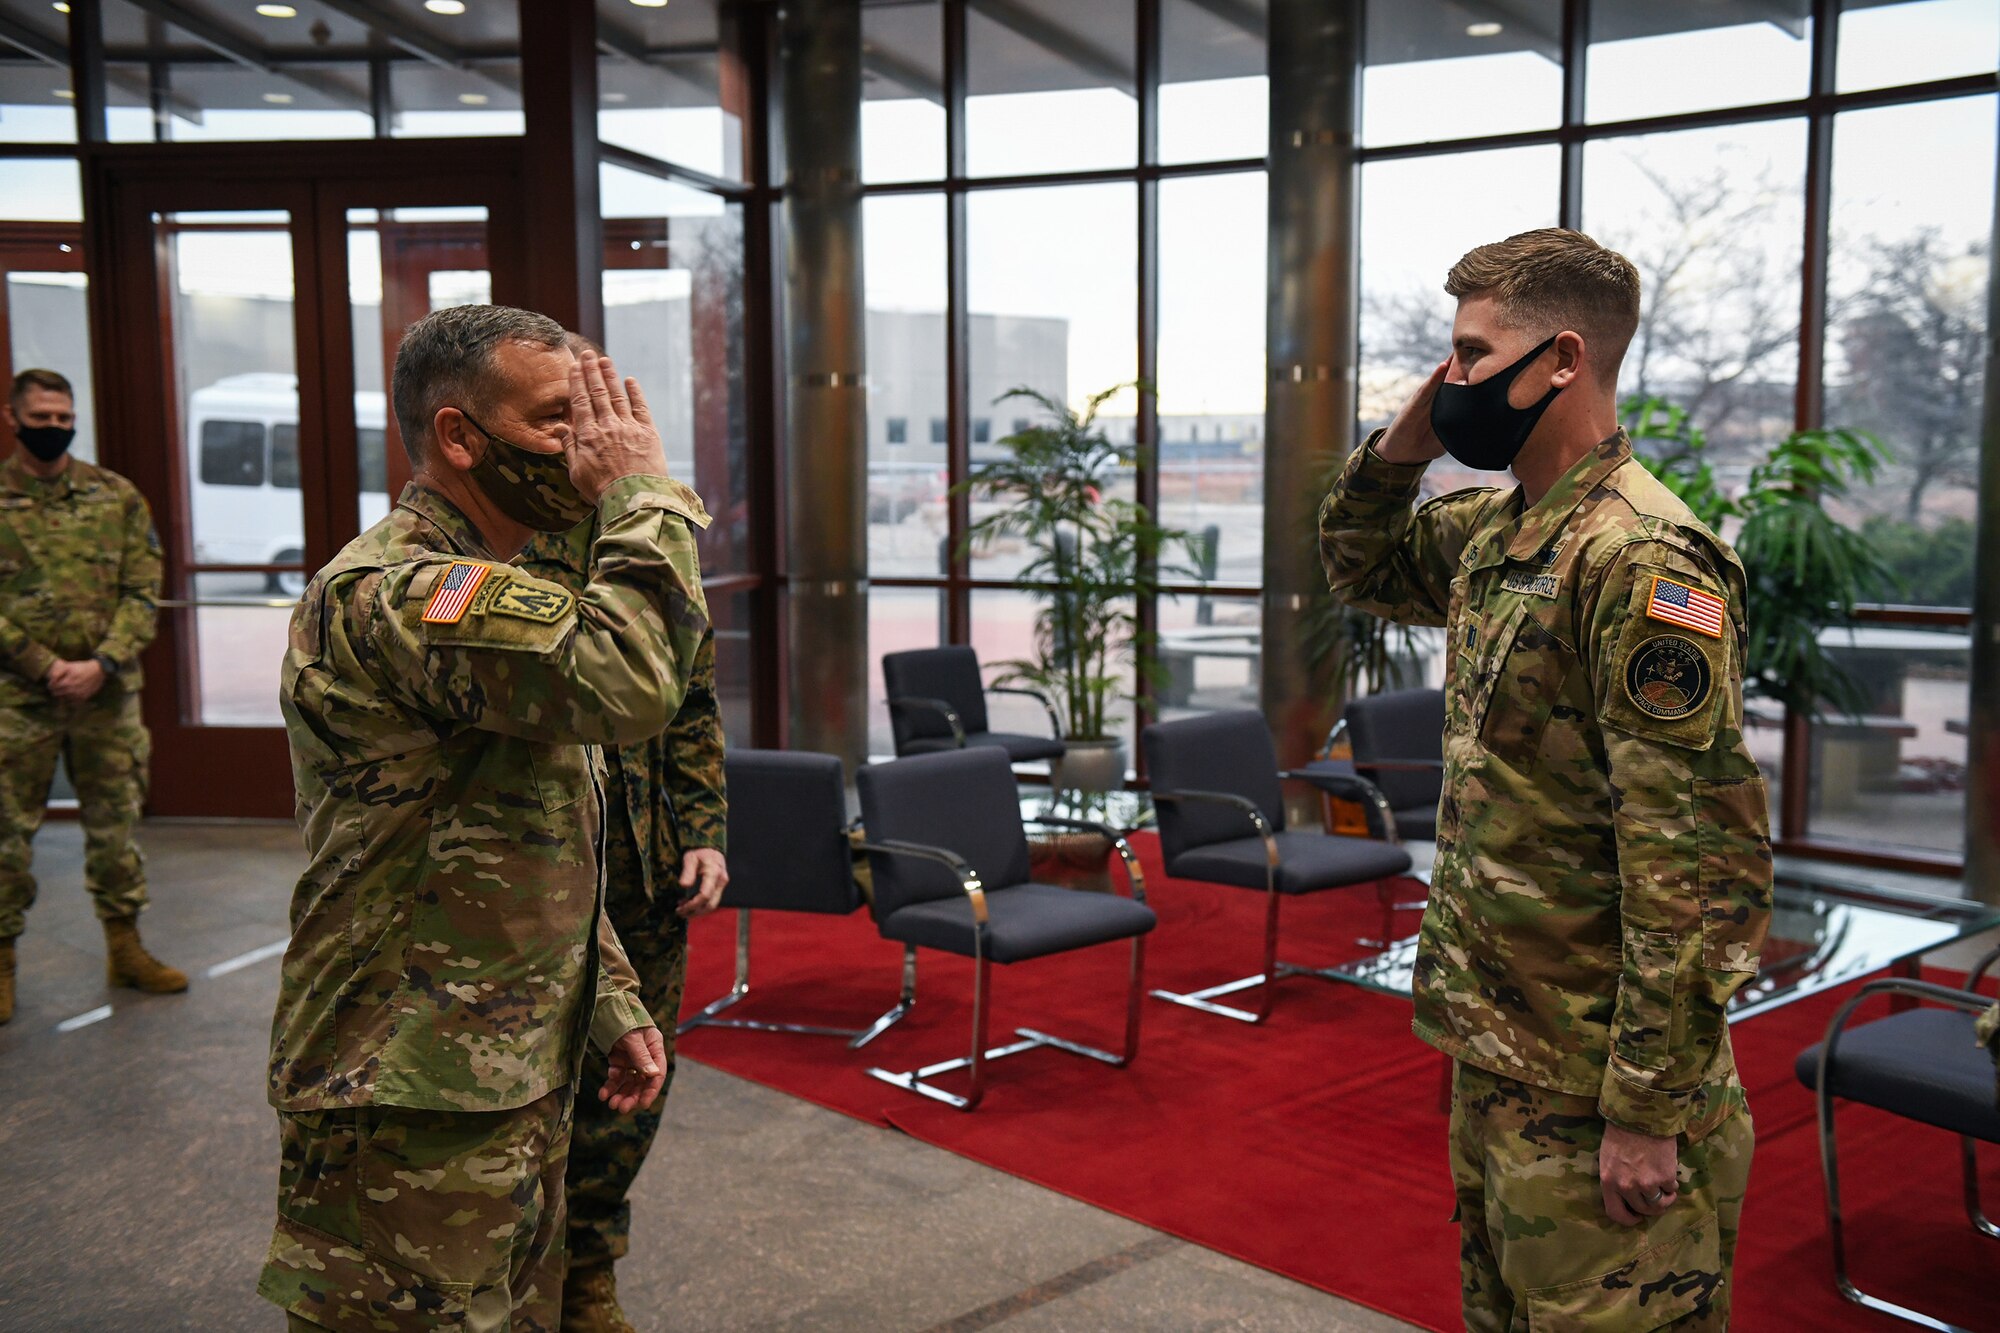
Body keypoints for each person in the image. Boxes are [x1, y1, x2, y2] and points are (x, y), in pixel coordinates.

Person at [1319, 229, 1774, 1331]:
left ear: (1561, 359)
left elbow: (1690, 858)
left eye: (1472, 354)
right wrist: (1406, 434)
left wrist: (1647, 1110)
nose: (1454, 378)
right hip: (1503, 1049)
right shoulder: (1506, 529)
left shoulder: (1642, 560)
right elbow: (1359, 559)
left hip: (1594, 1081)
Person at [258, 305, 712, 1333]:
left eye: (595, 420)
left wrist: (609, 998)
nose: (587, 444)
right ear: (460, 437)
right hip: (406, 1082)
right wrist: (642, 489)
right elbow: (635, 682)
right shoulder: (407, 594)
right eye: (558, 419)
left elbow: (523, 834)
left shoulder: (499, 583)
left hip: (498, 1062)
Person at [518, 425, 729, 1332]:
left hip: (643, 869)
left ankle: (590, 1270)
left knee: (631, 1082)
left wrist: (706, 831)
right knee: (528, 1089)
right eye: (551, 424)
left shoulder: (650, 542)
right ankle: (522, 1278)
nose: (578, 444)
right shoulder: (492, 558)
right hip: (532, 881)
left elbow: (694, 704)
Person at [0, 367, 179, 1026]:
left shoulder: (116, 497)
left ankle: (125, 948)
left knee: (116, 828)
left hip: (106, 695)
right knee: (5, 836)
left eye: (62, 417)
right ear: (13, 419)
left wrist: (100, 662)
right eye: (40, 418)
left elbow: (142, 591)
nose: (54, 428)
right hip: (16, 698)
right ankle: (2, 961)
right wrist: (45, 664)